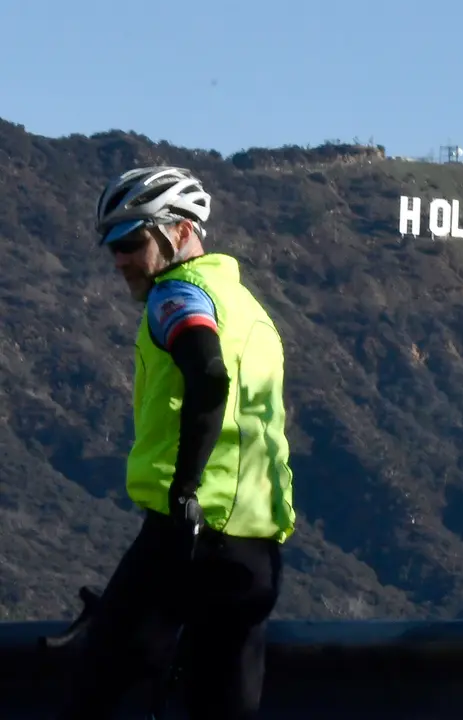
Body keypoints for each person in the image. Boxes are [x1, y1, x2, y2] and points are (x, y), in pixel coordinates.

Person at [57, 166, 296, 719]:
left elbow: (208, 374)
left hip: (187, 539)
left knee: (93, 694)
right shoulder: (250, 310)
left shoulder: (176, 293)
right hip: (254, 555)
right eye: (110, 246)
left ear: (181, 231)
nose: (118, 258)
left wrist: (185, 485)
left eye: (131, 241)